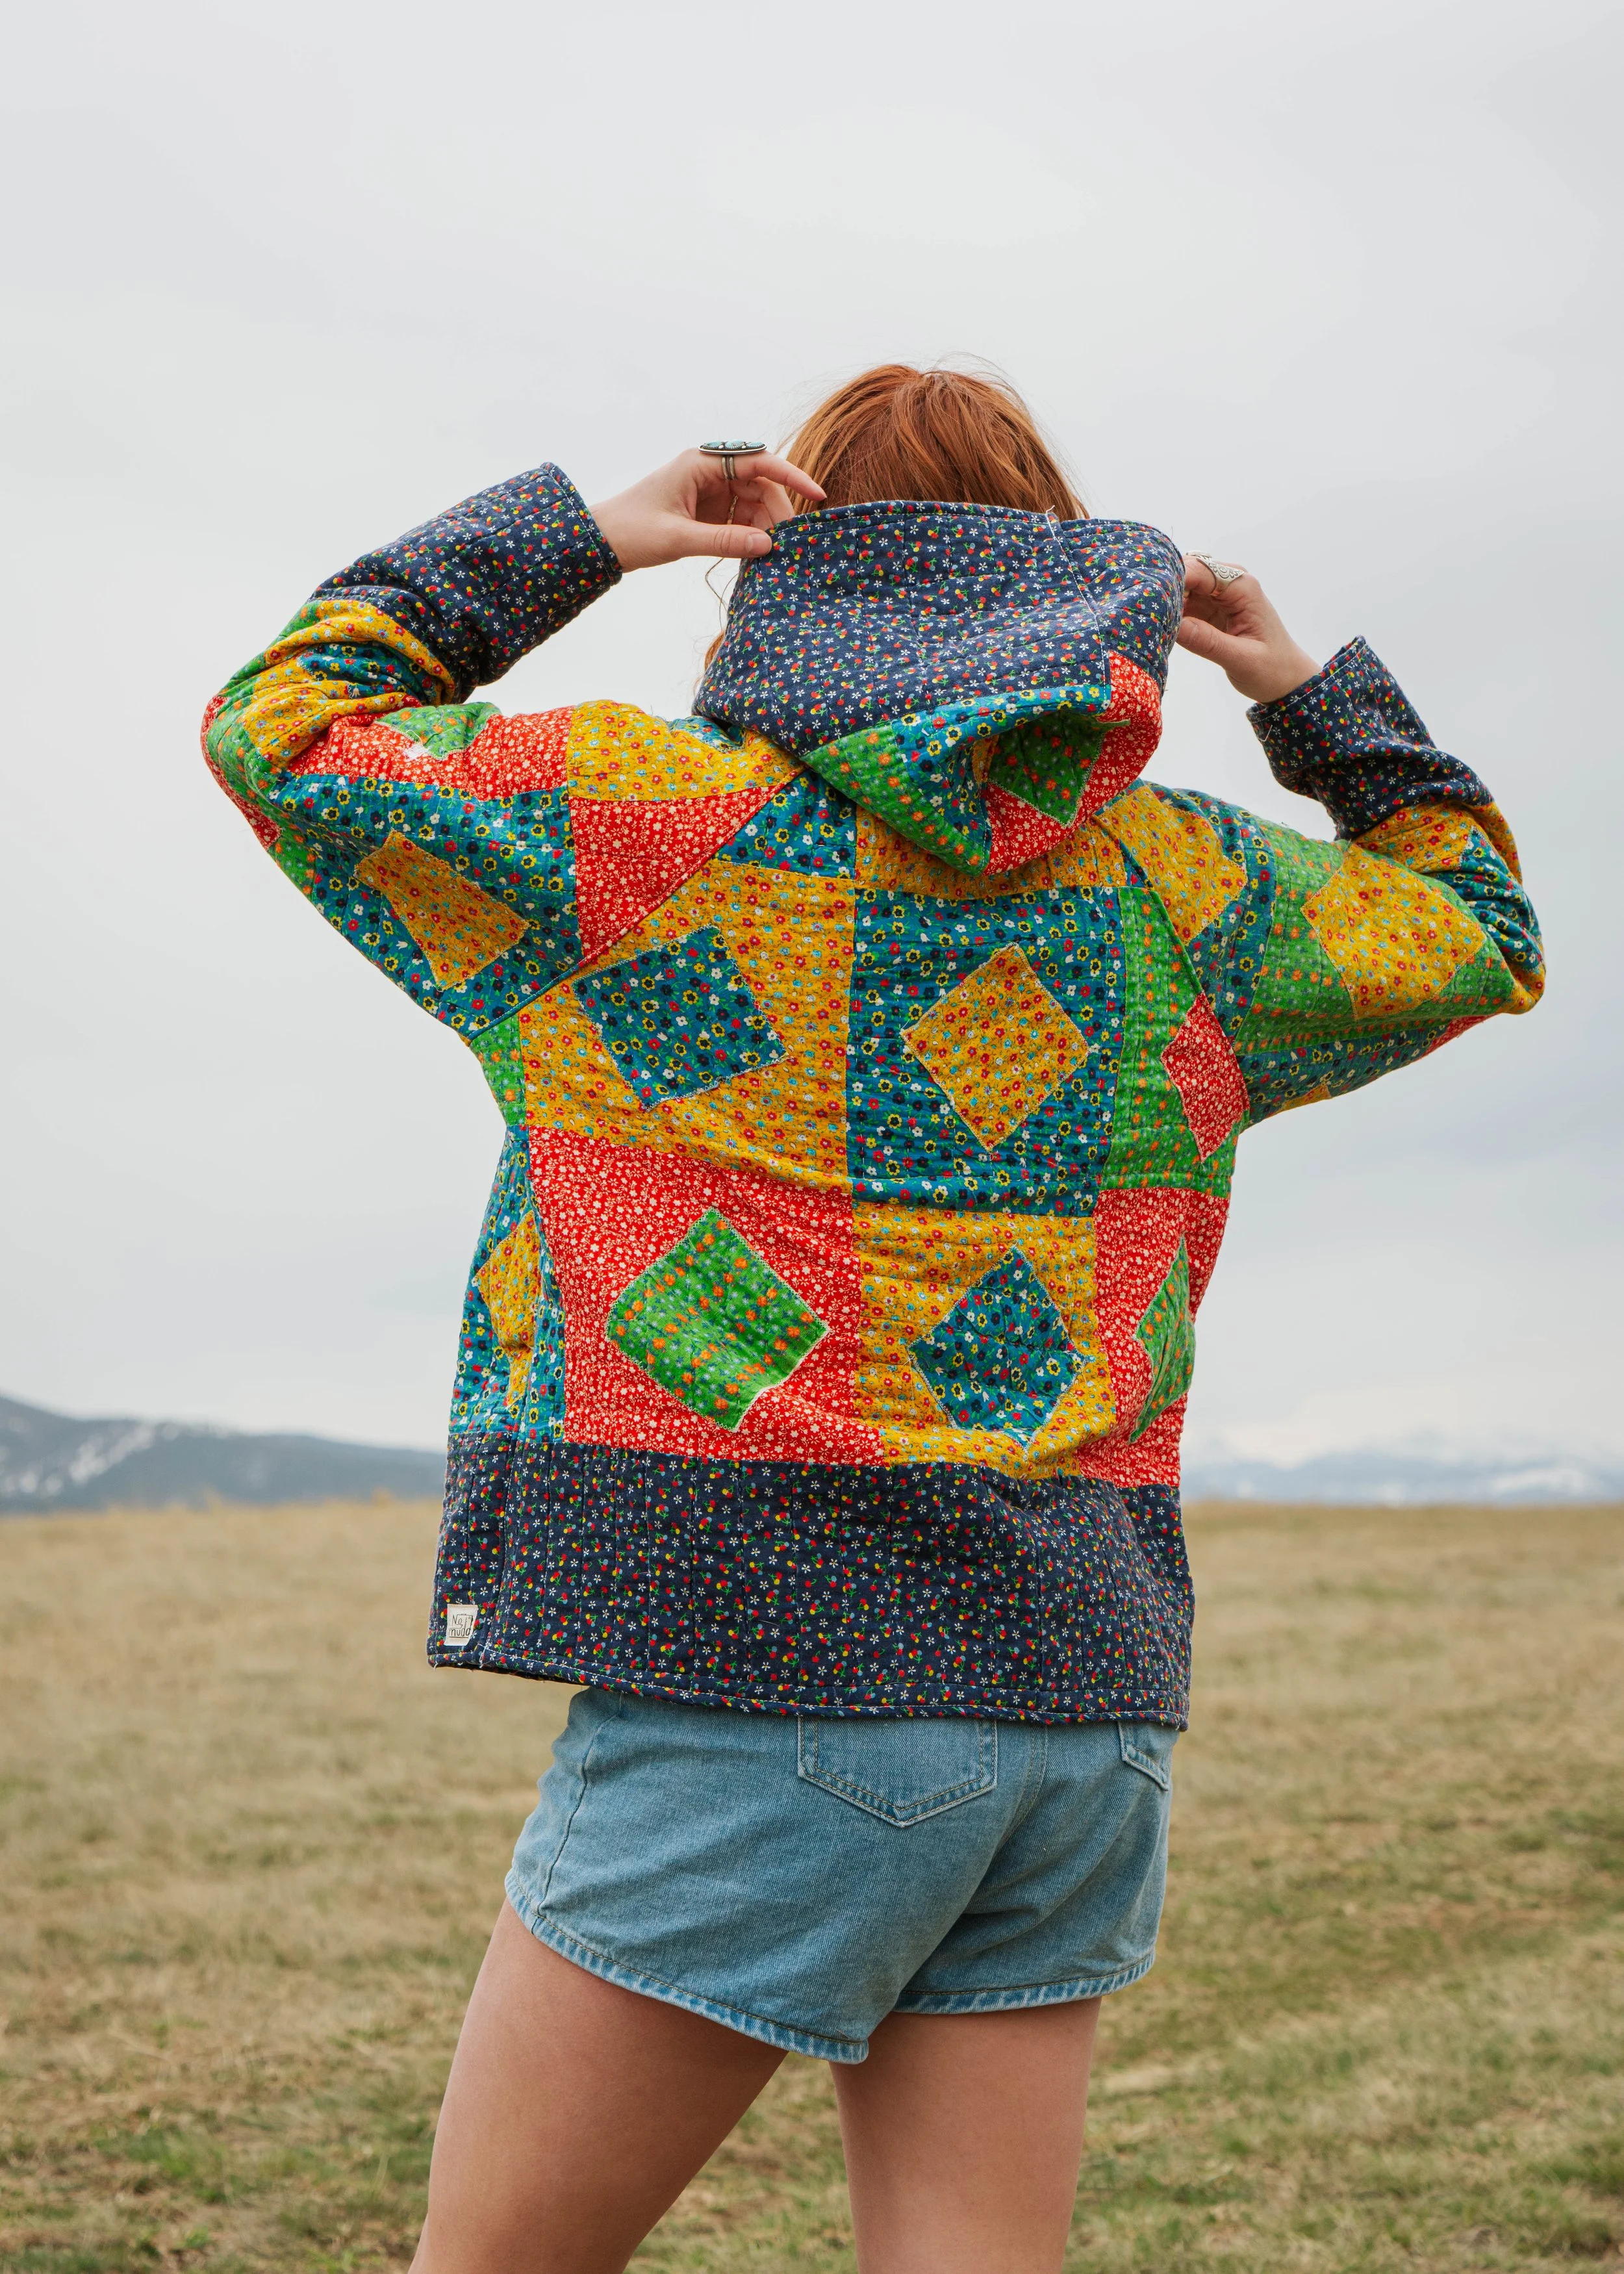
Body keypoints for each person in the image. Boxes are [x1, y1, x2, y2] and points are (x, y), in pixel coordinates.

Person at [203, 364, 1543, 2274]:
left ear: (783, 572)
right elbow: (1476, 920)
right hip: (1076, 1707)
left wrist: (578, 535)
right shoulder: (1191, 890)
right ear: (1080, 589)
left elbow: (287, 727)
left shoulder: (634, 828)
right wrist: (1300, 692)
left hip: (760, 1666)